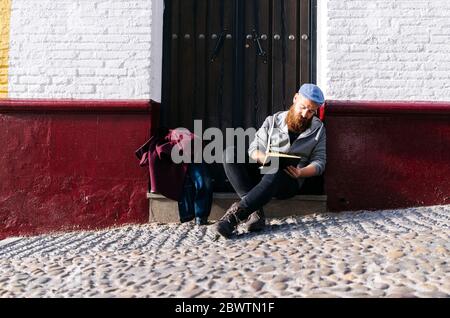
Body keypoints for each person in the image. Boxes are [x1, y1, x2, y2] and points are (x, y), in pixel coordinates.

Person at [212, 83, 326, 238]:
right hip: (263, 169)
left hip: (289, 180)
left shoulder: (318, 129)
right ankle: (256, 212)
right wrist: (263, 157)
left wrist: (301, 172)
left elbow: (319, 162)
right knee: (230, 153)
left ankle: (232, 219)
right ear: (295, 98)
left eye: (311, 111)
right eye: (303, 107)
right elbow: (254, 149)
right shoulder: (272, 121)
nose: (305, 114)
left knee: (275, 171)